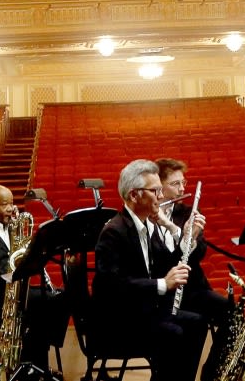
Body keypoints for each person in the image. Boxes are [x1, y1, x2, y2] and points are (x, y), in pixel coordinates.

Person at [92, 159, 207, 381]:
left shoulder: (145, 225)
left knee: (198, 323)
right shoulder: (113, 232)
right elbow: (112, 285)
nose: (162, 196)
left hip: (143, 312)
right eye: (155, 191)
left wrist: (186, 237)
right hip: (119, 321)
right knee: (174, 333)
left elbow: (169, 261)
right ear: (134, 195)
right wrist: (163, 284)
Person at [0, 183, 67, 371]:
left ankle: (38, 354)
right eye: (5, 204)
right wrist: (15, 271)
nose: (11, 209)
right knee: (45, 304)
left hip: (17, 289)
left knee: (58, 298)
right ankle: (34, 358)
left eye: (12, 203)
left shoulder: (14, 228)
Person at [155, 158, 229, 329]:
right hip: (162, 291)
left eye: (183, 182)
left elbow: (199, 254)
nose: (182, 189)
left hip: (192, 287)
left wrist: (191, 238)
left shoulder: (188, 212)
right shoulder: (148, 216)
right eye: (175, 184)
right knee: (194, 323)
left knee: (230, 311)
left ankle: (220, 357)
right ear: (159, 186)